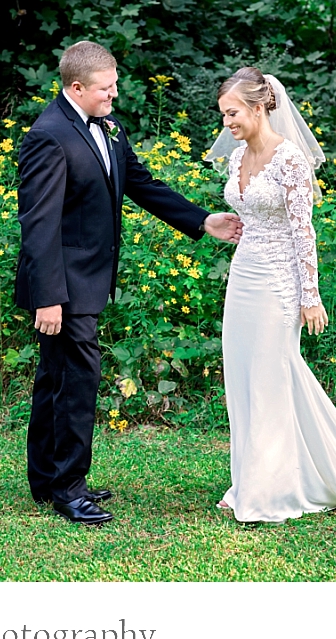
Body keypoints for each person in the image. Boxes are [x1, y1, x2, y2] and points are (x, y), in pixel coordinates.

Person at [15, 41, 243, 525]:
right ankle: (68, 489)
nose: (114, 95)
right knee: (77, 380)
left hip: (87, 279)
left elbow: (141, 183)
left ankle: (46, 478)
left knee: (56, 378)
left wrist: (202, 221)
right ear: (76, 88)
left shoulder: (110, 128)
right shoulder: (48, 136)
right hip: (63, 286)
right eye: (105, 88)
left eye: (115, 85)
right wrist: (49, 297)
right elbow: (38, 225)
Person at [209, 67, 336, 523]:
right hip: (243, 276)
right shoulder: (235, 159)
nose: (226, 123)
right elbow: (251, 213)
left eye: (231, 113)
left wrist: (310, 296)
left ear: (257, 106)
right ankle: (248, 478)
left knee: (271, 377)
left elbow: (302, 231)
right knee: (243, 376)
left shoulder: (289, 158)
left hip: (278, 284)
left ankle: (270, 490)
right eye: (223, 115)